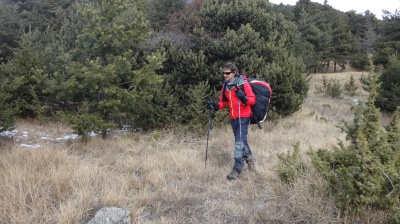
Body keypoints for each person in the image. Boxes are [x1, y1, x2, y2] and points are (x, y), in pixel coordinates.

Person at [206, 62, 256, 180]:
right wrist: (215, 106)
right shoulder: (226, 86)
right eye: (223, 73)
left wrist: (244, 97)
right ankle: (250, 160)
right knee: (242, 141)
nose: (224, 75)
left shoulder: (243, 84)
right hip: (233, 118)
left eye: (227, 73)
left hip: (243, 117)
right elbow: (223, 102)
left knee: (239, 143)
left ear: (234, 73)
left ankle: (237, 168)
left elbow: (253, 100)